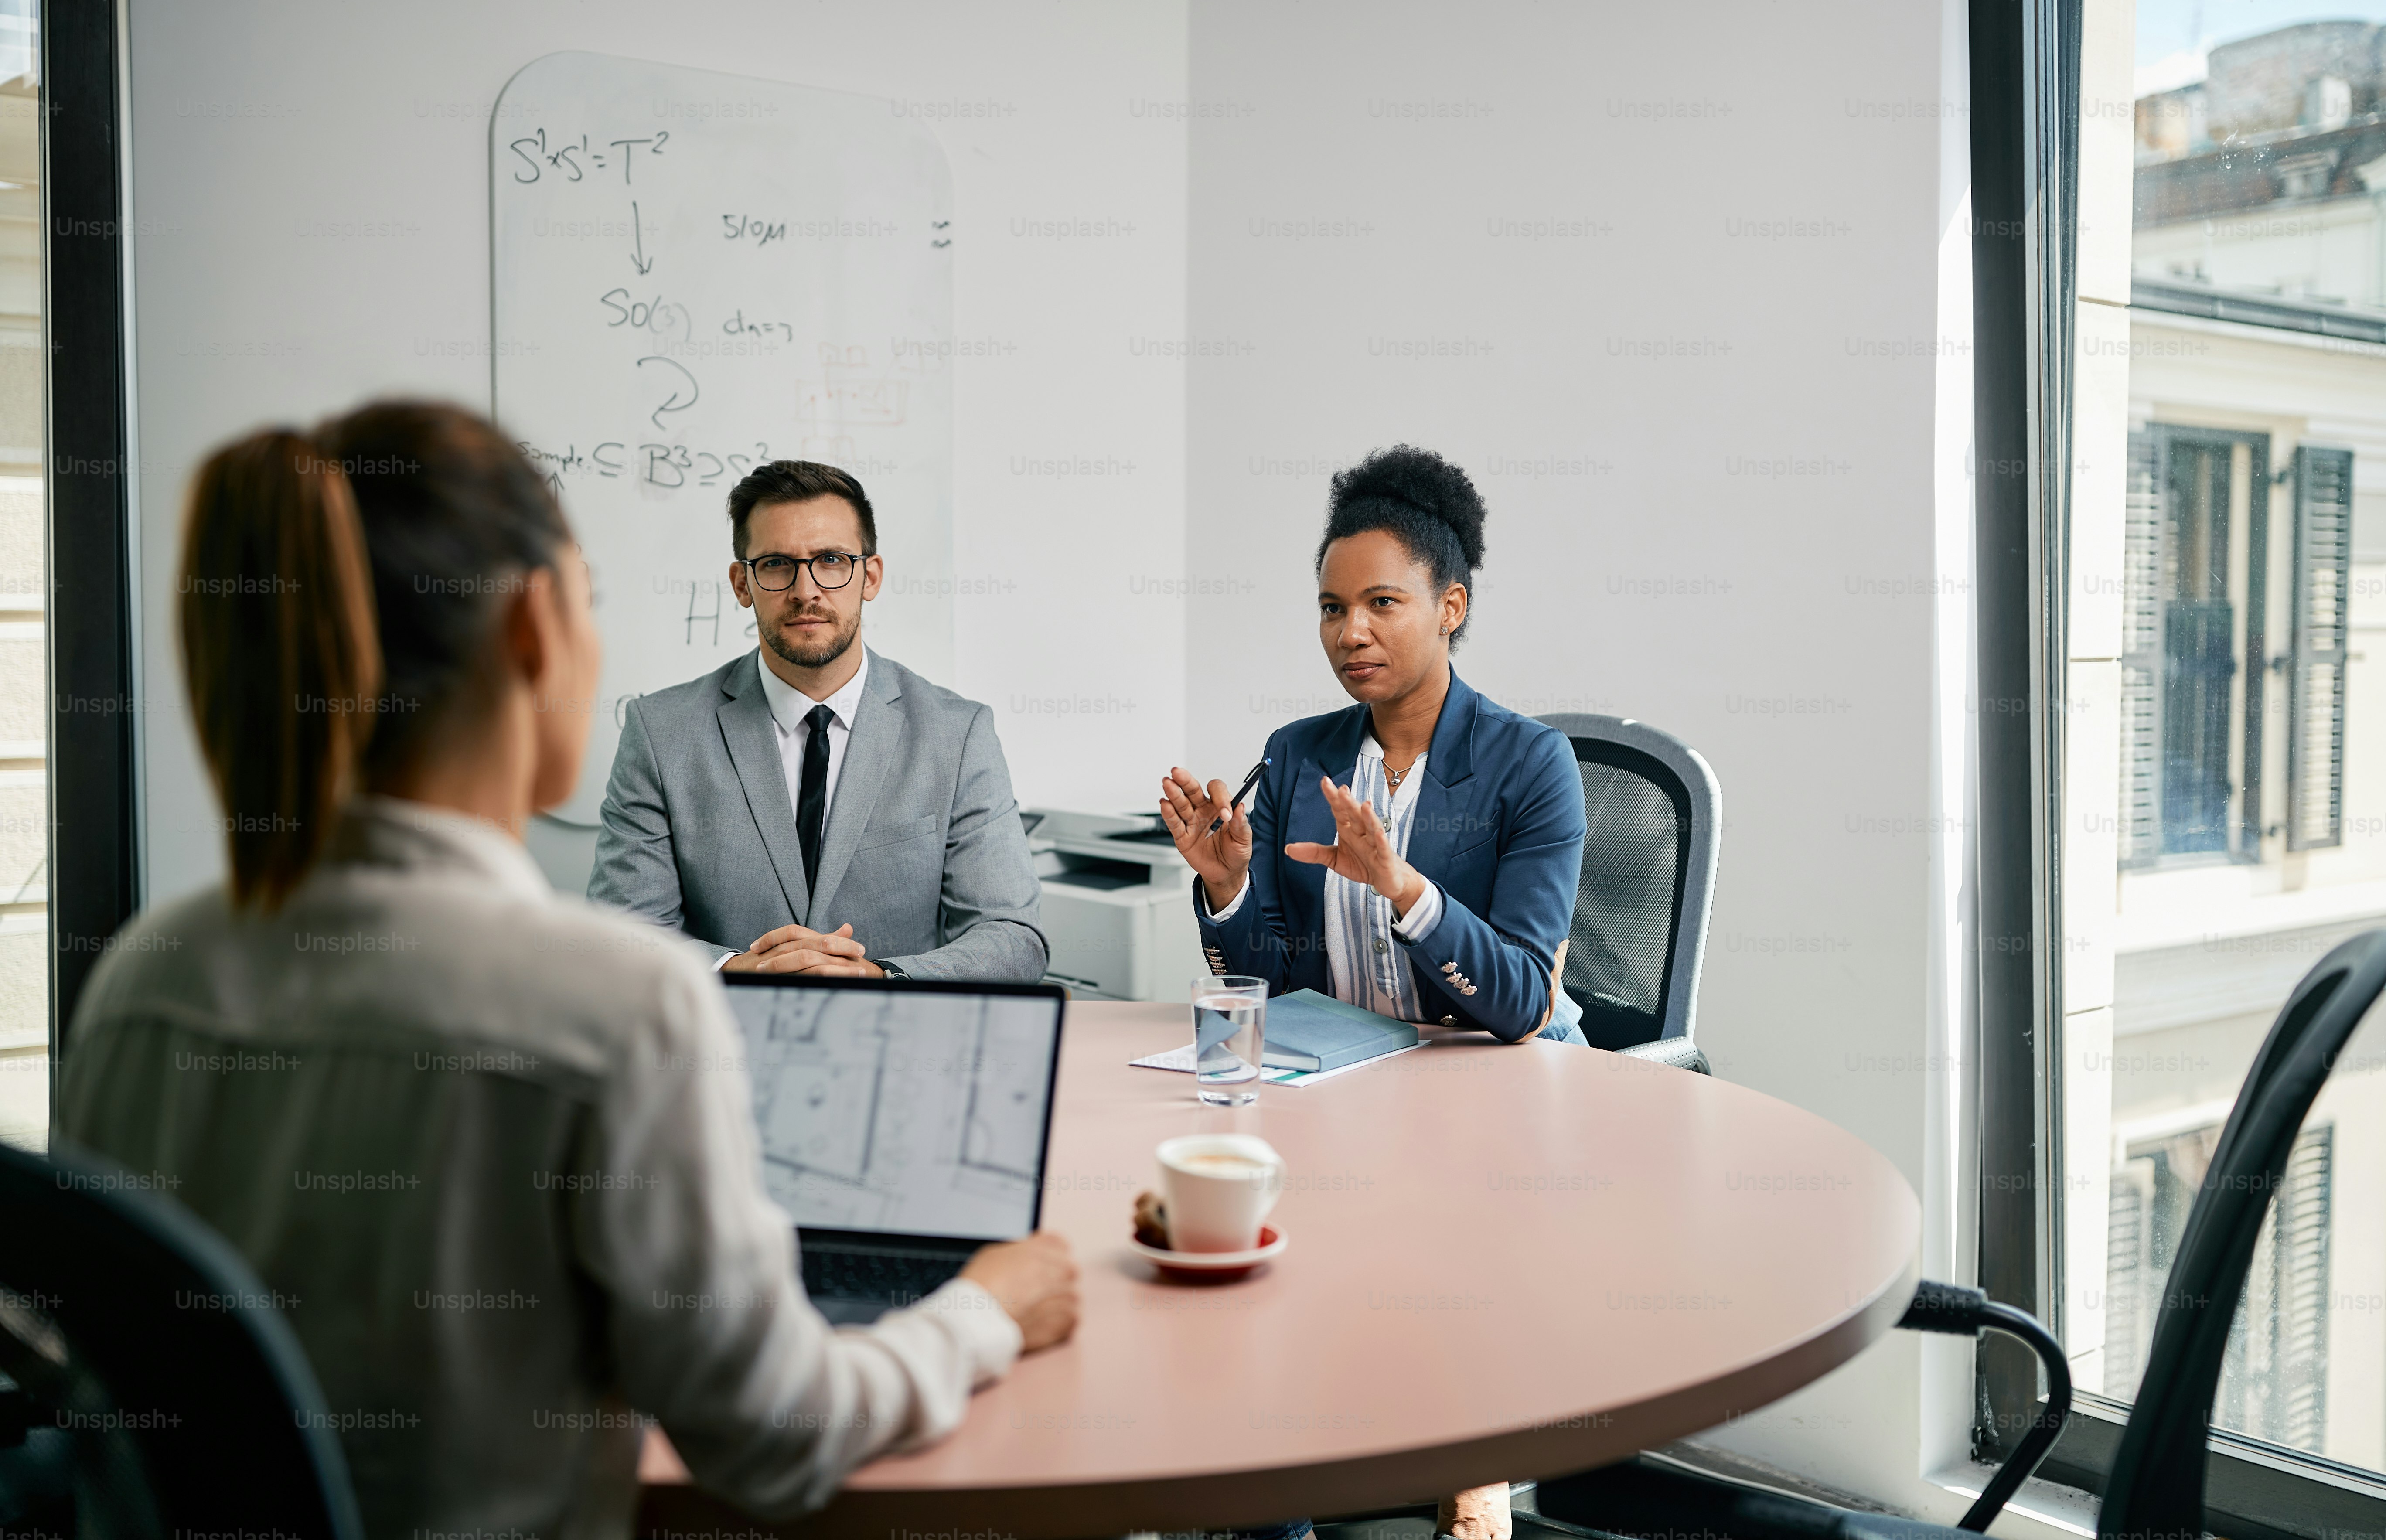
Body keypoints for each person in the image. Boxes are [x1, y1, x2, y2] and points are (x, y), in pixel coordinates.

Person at [56, 403, 1079, 1538]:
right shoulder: (615, 1012)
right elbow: (775, 1438)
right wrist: (988, 1311)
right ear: (539, 629)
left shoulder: (137, 986)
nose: (807, 586)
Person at [1158, 445, 1588, 1540]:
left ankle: (1466, 1445)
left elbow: (1521, 1002)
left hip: (1491, 1095)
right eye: (1331, 607)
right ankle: (1272, 1470)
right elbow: (1270, 980)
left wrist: (1403, 889)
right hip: (1345, 1084)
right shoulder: (1297, 754)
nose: (1350, 632)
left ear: (1449, 607)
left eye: (1381, 604)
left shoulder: (1528, 766)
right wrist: (1227, 884)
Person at [589, 460, 1046, 982]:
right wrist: (738, 970)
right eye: (778, 564)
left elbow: (1013, 938)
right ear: (742, 583)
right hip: (722, 1047)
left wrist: (880, 979)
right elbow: (620, 933)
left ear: (869, 576)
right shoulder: (659, 733)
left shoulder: (958, 735)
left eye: (831, 560)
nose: (806, 590)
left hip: (898, 1044)